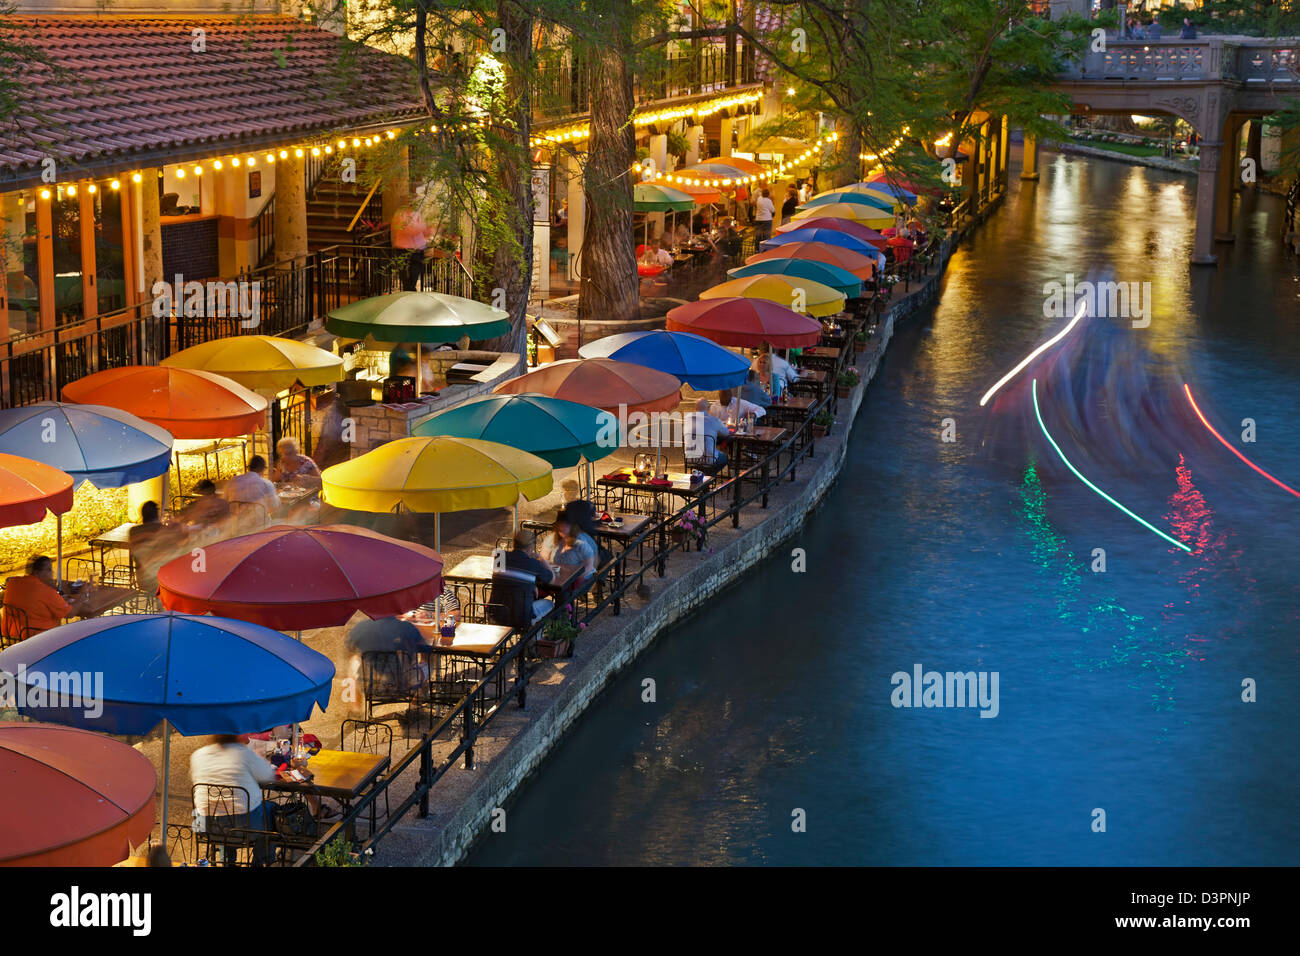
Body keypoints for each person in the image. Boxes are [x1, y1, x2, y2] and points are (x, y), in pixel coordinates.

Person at [190, 734, 278, 865]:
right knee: (273, 811)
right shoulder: (243, 753)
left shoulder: (198, 755)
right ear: (236, 735)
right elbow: (267, 775)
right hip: (244, 826)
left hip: (205, 826)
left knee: (225, 813)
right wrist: (260, 759)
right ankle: (259, 862)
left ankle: (227, 862)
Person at [1, 555, 97, 639]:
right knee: (76, 635)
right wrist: (83, 595)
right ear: (37, 572)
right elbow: (70, 614)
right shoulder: (45, 591)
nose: (52, 573)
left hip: (11, 635)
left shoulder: (13, 582)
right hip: (39, 638)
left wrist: (49, 586)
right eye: (49, 570)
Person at [391, 190, 437, 291]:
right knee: (404, 269)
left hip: (416, 247)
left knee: (415, 269)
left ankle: (410, 288)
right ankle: (409, 289)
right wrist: (424, 227)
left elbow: (420, 230)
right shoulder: (401, 214)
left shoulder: (417, 214)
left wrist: (428, 230)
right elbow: (409, 229)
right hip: (404, 246)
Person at [224, 455, 280, 523]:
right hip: (260, 527)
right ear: (263, 470)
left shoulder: (232, 482)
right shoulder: (266, 484)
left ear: (248, 468)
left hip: (236, 527)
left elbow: (225, 504)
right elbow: (274, 507)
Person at [685, 398, 729, 467]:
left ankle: (702, 474)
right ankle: (711, 474)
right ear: (709, 408)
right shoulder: (713, 420)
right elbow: (726, 433)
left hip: (691, 459)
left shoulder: (688, 419)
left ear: (696, 408)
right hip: (709, 460)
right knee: (725, 457)